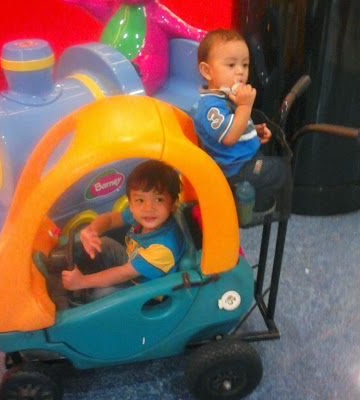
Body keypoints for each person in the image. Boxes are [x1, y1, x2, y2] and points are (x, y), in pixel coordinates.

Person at [193, 28, 289, 214]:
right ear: (207, 71)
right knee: (280, 169)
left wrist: (252, 130)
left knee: (271, 161)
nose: (240, 72)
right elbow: (229, 137)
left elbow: (235, 124)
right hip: (235, 171)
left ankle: (251, 196)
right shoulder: (210, 107)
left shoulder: (226, 95)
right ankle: (249, 205)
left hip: (247, 159)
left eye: (245, 65)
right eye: (231, 65)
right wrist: (245, 106)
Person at [61, 159, 186, 301]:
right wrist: (92, 231)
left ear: (173, 204)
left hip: (144, 290)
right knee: (104, 243)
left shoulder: (163, 248)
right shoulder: (141, 216)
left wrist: (82, 282)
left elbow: (123, 273)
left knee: (102, 294)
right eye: (140, 200)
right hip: (130, 262)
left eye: (158, 199)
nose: (148, 208)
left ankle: (84, 291)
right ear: (131, 204)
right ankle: (83, 273)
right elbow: (109, 219)